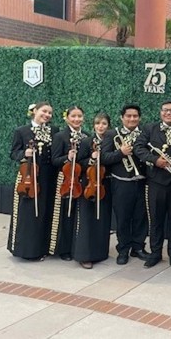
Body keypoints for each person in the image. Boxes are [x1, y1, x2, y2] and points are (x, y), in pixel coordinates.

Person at [135, 100, 171, 268]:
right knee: (156, 219)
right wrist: (154, 160)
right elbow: (138, 147)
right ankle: (155, 253)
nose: (169, 113)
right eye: (165, 110)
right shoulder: (150, 129)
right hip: (156, 182)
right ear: (160, 112)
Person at [8, 102, 60, 260]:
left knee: (46, 211)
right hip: (29, 176)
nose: (47, 115)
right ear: (35, 111)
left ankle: (44, 247)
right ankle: (27, 250)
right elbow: (13, 153)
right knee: (28, 212)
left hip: (49, 176)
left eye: (50, 113)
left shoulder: (54, 130)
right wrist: (25, 153)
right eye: (44, 111)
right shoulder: (22, 131)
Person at [101, 104, 149, 265]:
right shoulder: (111, 134)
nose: (132, 119)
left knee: (140, 217)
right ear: (122, 118)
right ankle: (123, 249)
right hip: (121, 183)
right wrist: (120, 153)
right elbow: (104, 158)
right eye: (128, 116)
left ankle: (138, 247)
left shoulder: (145, 133)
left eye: (135, 116)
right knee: (122, 218)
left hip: (141, 182)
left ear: (139, 118)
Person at [72, 112, 113, 269]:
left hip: (104, 184)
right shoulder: (86, 141)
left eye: (104, 123)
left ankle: (100, 252)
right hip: (89, 184)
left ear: (108, 126)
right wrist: (92, 159)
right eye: (97, 123)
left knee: (102, 219)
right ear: (94, 125)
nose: (101, 126)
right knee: (87, 220)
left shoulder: (110, 141)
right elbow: (79, 163)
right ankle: (85, 255)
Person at [50, 106, 90, 261]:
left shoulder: (87, 136)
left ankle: (76, 246)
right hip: (66, 180)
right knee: (66, 214)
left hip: (81, 180)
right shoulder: (60, 136)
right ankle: (64, 249)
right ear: (67, 118)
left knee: (78, 214)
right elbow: (54, 160)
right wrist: (68, 157)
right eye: (73, 116)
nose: (76, 119)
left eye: (79, 116)